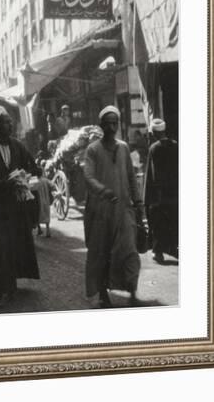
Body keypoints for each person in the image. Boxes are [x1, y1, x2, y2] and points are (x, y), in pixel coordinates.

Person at [0, 106, 40, 309]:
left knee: (14, 247)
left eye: (10, 121)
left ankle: (10, 286)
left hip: (16, 209)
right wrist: (2, 184)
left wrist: (24, 177)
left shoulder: (18, 146)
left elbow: (31, 165)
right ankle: (4, 289)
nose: (10, 124)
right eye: (5, 122)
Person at [83, 105, 146, 308]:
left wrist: (138, 204)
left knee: (129, 251)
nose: (111, 127)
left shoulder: (124, 147)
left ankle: (132, 290)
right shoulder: (92, 150)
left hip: (123, 211)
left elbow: (130, 177)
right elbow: (89, 177)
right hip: (101, 212)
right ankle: (102, 293)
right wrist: (103, 191)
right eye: (107, 123)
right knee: (101, 253)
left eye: (114, 123)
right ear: (101, 125)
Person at [144, 118, 179, 264]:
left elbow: (152, 174)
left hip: (159, 194)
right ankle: (173, 247)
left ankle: (158, 252)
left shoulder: (154, 148)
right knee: (173, 219)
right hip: (175, 191)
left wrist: (149, 196)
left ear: (153, 133)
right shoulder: (175, 145)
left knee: (158, 221)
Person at [35, 163, 56, 237]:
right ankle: (48, 231)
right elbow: (53, 185)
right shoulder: (45, 180)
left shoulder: (34, 181)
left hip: (37, 201)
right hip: (46, 200)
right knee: (47, 215)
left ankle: (39, 229)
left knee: (37, 214)